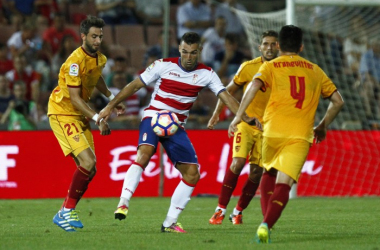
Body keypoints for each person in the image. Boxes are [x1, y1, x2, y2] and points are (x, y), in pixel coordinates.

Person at [97, 32, 253, 233]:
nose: (188, 57)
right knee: (144, 154)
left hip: (176, 125)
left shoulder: (207, 73)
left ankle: (169, 222)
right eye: (185, 52)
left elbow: (225, 97)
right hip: (153, 117)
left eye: (193, 53)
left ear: (200, 51)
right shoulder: (163, 65)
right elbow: (135, 84)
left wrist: (244, 117)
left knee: (192, 174)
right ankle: (123, 202)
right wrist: (110, 106)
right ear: (179, 49)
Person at [228, 25, 344, 243]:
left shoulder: (271, 66)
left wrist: (238, 116)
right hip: (300, 135)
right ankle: (265, 225)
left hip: (271, 132)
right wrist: (322, 125)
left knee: (268, 174)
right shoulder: (315, 70)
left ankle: (265, 219)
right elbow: (338, 101)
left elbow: (253, 85)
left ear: (279, 45)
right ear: (301, 46)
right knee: (285, 183)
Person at [47, 15, 125, 232]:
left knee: (90, 170)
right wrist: (98, 118)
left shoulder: (100, 59)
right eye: (93, 36)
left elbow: (95, 77)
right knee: (88, 162)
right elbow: (74, 98)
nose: (98, 40)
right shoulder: (74, 61)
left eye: (100, 36)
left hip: (79, 115)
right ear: (83, 36)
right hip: (63, 112)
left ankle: (64, 211)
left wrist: (111, 98)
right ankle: (66, 211)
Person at [208, 30, 279, 225]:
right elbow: (227, 91)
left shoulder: (283, 70)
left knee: (257, 172)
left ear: (278, 47)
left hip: (269, 128)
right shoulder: (248, 67)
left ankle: (237, 211)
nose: (269, 47)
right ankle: (220, 210)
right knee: (237, 163)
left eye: (273, 44)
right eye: (266, 44)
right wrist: (217, 113)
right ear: (260, 47)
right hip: (247, 124)